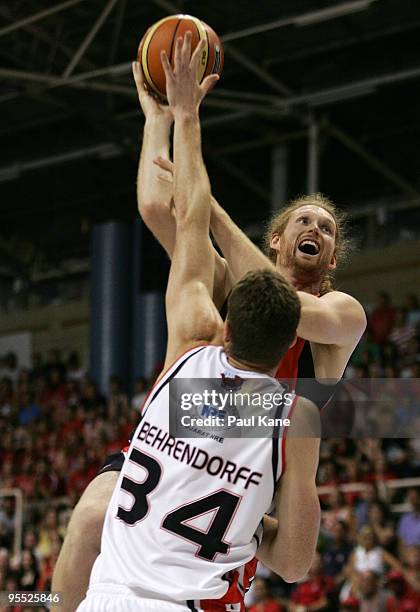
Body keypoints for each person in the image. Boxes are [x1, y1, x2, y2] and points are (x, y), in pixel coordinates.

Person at [52, 34, 366, 611]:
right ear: (276, 239)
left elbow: (284, 307)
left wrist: (204, 201)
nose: (317, 230)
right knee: (93, 511)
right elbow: (155, 207)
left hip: (264, 451)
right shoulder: (233, 286)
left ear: (332, 260)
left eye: (326, 229)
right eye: (305, 220)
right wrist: (158, 118)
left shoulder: (342, 311)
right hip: (191, 430)